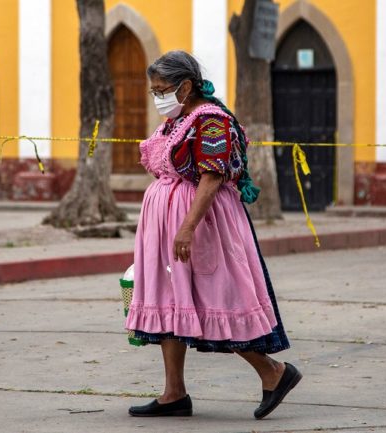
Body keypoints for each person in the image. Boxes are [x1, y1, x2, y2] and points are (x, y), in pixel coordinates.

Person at [125, 50, 301, 419]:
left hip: (203, 225)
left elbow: (212, 177)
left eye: (162, 89)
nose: (158, 97)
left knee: (214, 299)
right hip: (168, 226)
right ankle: (174, 394)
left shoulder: (212, 121)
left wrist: (186, 227)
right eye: (154, 90)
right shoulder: (178, 121)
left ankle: (274, 373)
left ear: (186, 87)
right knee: (171, 301)